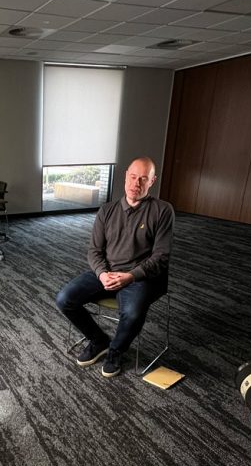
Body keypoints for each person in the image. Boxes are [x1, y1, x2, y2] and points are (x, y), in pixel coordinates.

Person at [56, 158, 174, 378]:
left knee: (131, 312)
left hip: (140, 278)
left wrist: (130, 276)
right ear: (125, 176)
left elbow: (161, 257)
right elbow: (94, 251)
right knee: (64, 299)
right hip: (107, 273)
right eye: (132, 176)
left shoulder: (163, 211)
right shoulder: (107, 210)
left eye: (143, 179)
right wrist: (102, 274)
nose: (136, 183)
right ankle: (99, 340)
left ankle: (116, 351)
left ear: (152, 181)